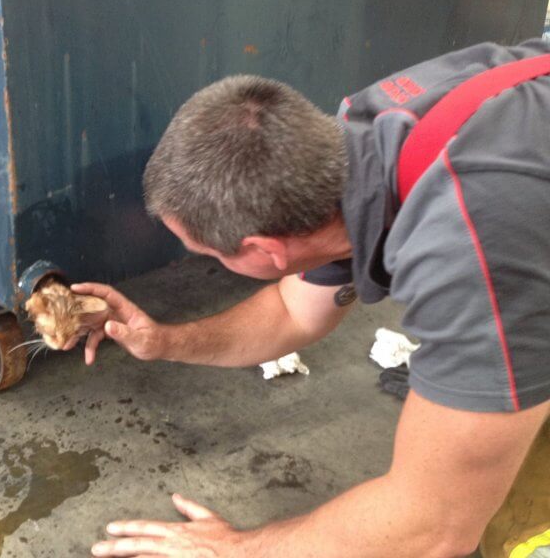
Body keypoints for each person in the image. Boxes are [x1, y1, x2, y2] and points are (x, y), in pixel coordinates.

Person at [74, 39, 550, 557]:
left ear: (264, 250)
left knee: (506, 511)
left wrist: (240, 550)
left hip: (513, 220)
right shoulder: (349, 148)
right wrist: (160, 340)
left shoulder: (469, 250)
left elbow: (432, 527)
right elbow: (293, 311)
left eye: (211, 256)